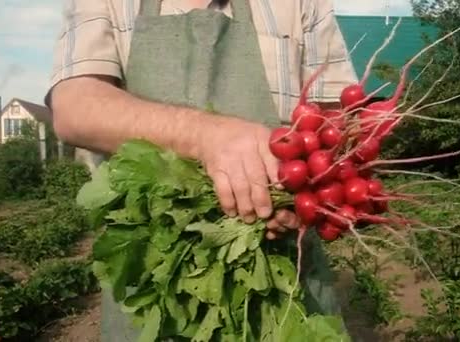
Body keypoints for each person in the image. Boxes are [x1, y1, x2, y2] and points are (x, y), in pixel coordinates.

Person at [46, 0, 359, 340]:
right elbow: (75, 105)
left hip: (286, 277)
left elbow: (338, 118)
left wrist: (303, 196)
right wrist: (205, 135)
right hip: (157, 278)